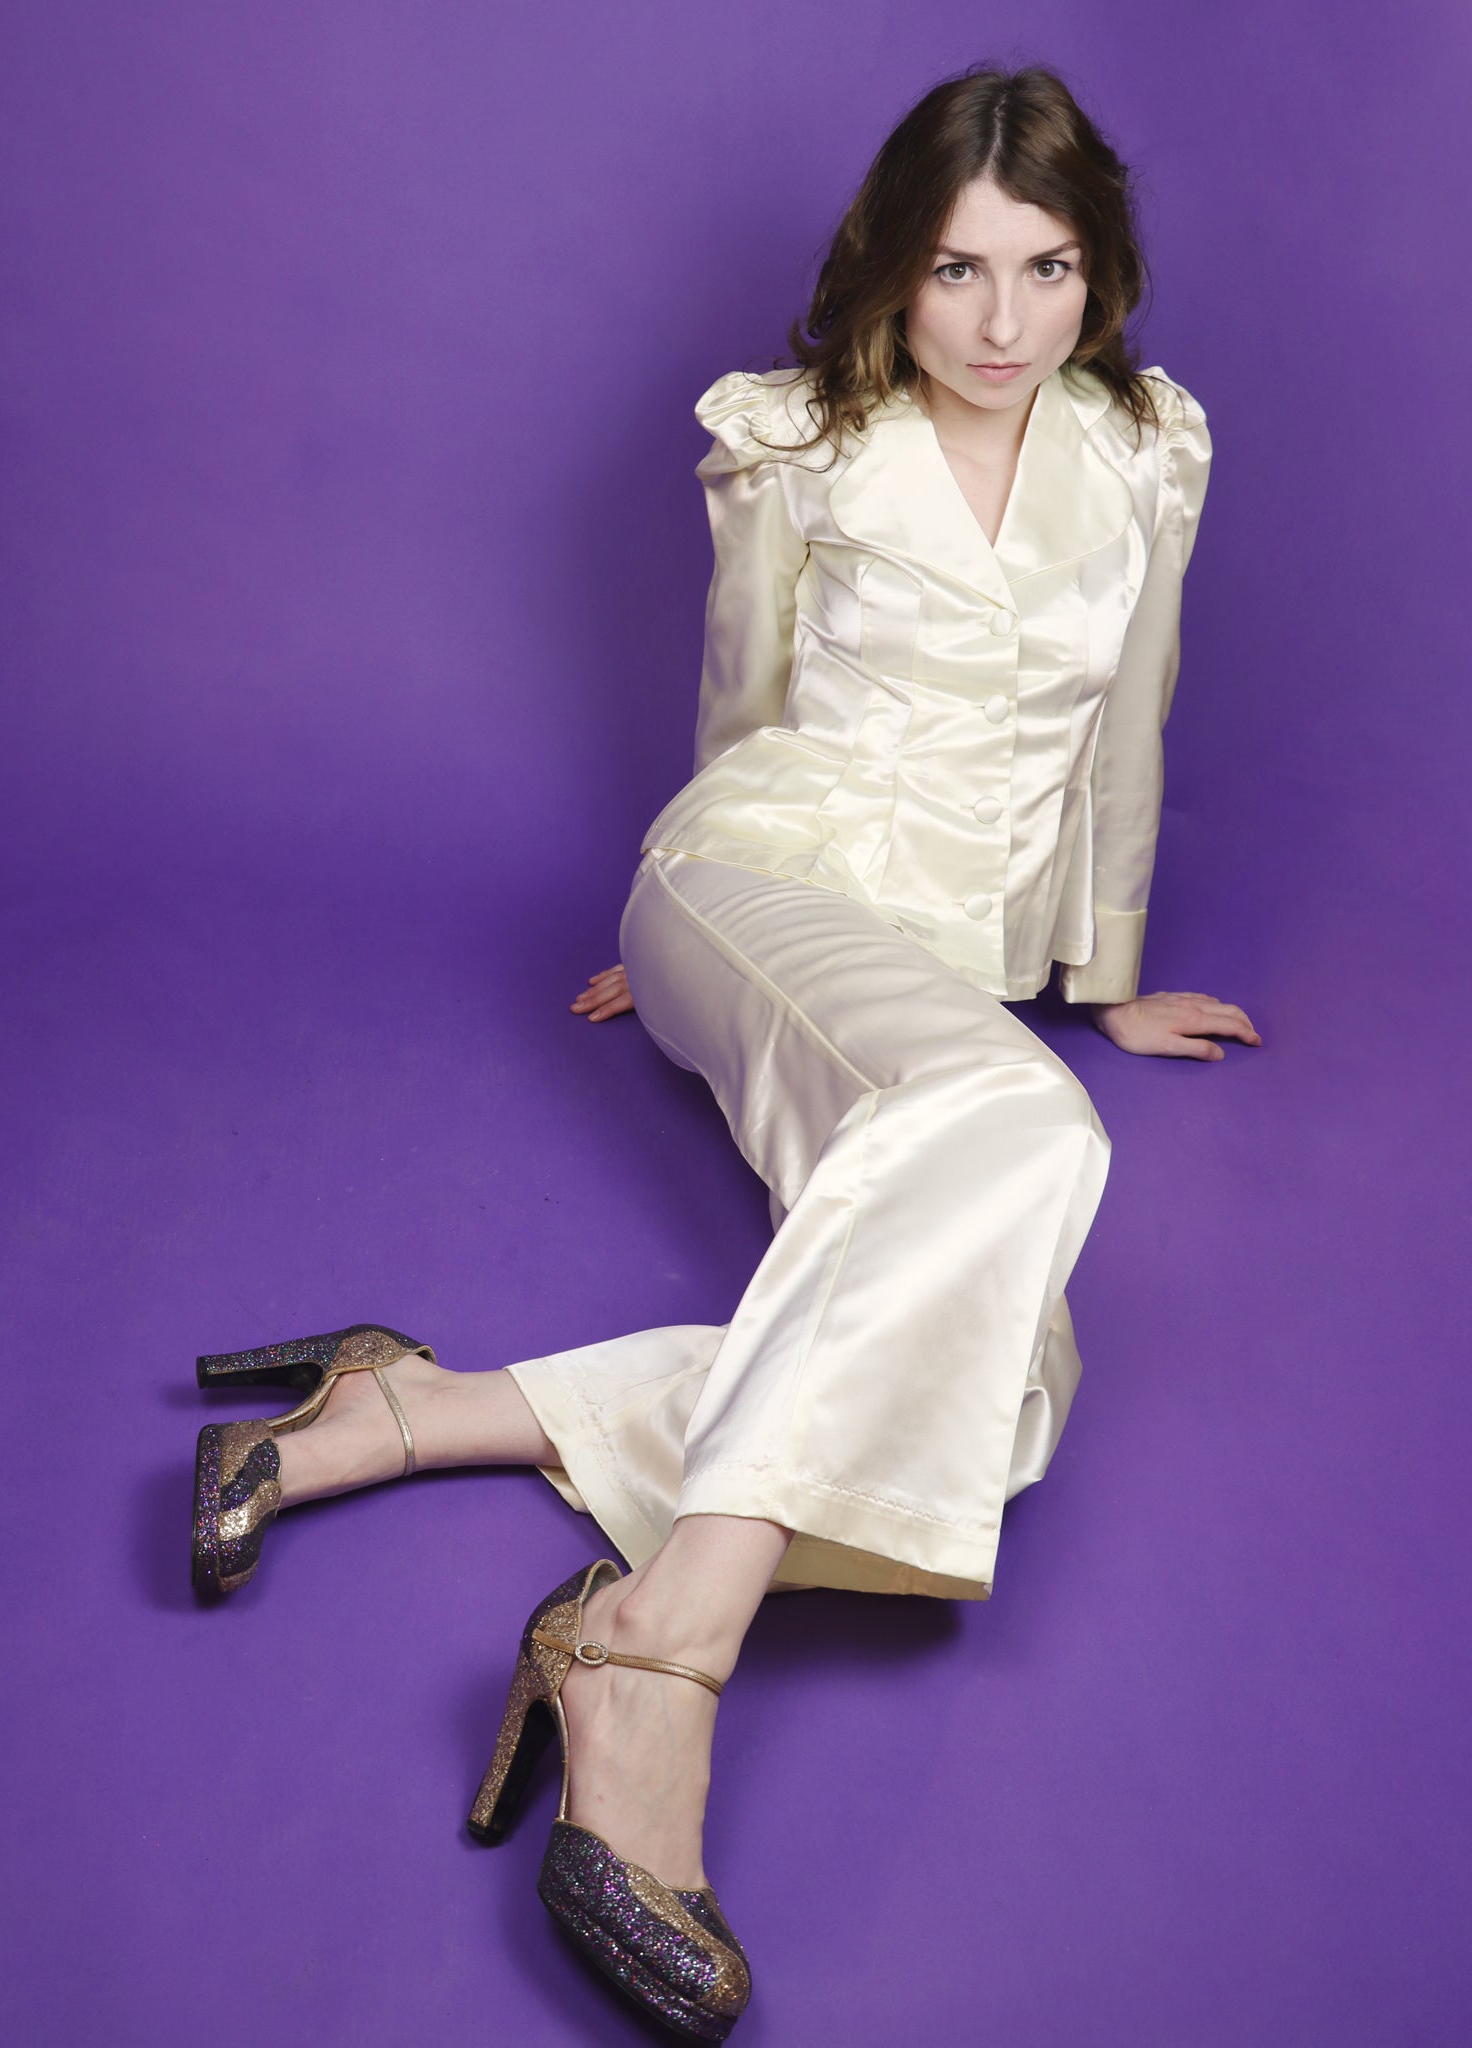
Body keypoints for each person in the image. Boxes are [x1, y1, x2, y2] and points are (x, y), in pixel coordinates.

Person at [189, 62, 1259, 2042]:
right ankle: (657, 1653)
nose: (1001, 321)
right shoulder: (801, 443)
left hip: (935, 963)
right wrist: (672, 937)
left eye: (1045, 269)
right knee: (1016, 1132)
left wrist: (1103, 975)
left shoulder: (1144, 453)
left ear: (1100, 277)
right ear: (897, 266)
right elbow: (741, 703)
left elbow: (1128, 731)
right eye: (957, 269)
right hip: (755, 876)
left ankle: (415, 1406)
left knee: (1002, 1412)